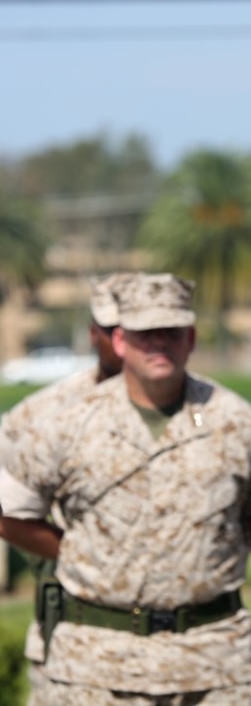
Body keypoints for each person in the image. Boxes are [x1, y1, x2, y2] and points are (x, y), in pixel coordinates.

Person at [0, 272, 251, 705]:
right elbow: (12, 514)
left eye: (171, 332)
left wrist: (217, 551)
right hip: (95, 665)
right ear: (120, 341)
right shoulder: (65, 421)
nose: (159, 343)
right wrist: (77, 553)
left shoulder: (236, 420)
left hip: (211, 662)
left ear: (191, 338)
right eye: (146, 334)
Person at [0, 273, 129, 703]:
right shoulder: (45, 414)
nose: (130, 342)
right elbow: (12, 516)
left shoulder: (208, 410)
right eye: (117, 331)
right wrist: (82, 553)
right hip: (74, 631)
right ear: (94, 334)